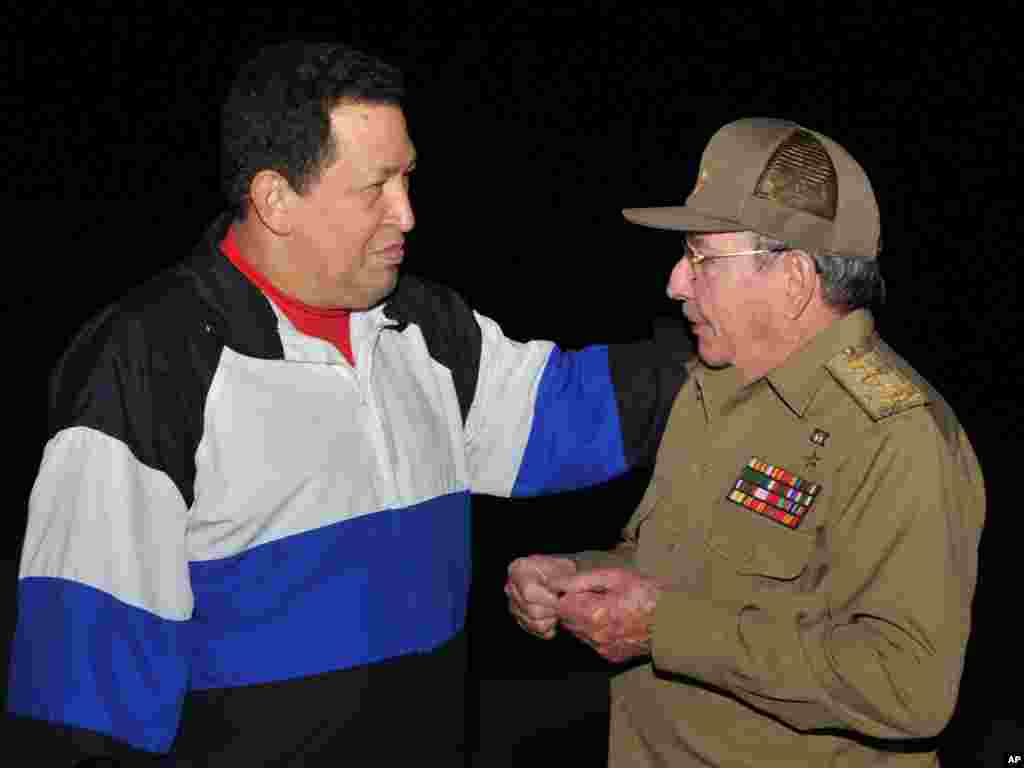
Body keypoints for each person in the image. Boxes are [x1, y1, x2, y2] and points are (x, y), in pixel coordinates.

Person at [6, 42, 691, 765]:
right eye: (376, 187)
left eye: (409, 178)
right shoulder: (147, 364)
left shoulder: (425, 327)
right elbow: (84, 687)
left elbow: (569, 414)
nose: (408, 214)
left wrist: (734, 341)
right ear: (276, 199)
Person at [507, 117, 985, 766]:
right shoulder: (711, 390)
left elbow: (909, 687)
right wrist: (583, 578)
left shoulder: (898, 436)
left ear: (791, 280)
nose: (675, 283)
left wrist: (663, 630)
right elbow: (674, 564)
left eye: (700, 257)